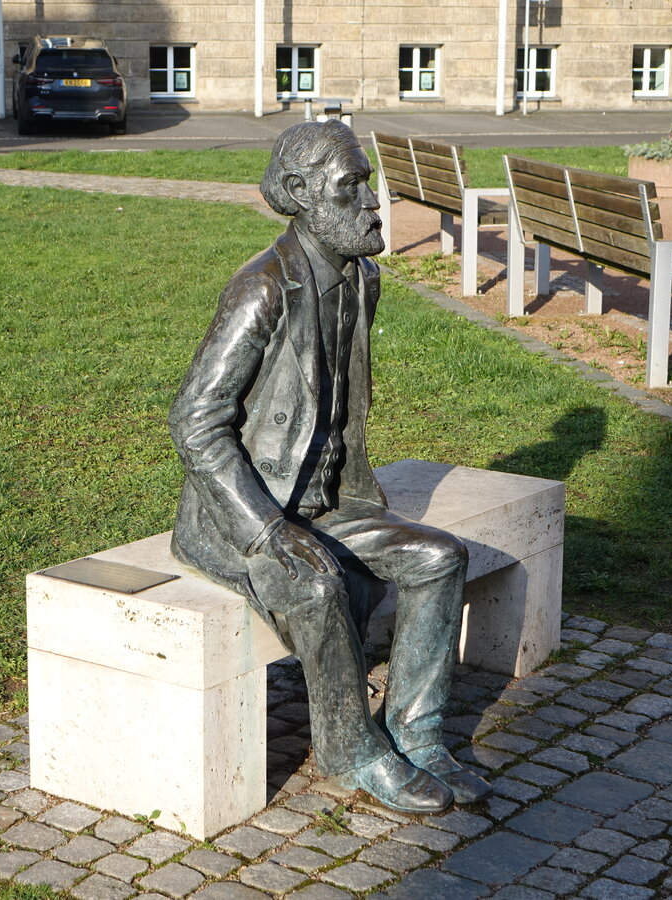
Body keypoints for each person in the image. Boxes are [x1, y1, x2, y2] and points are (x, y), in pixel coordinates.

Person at [168, 120, 490, 813]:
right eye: (352, 188)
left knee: (440, 558)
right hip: (247, 516)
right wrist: (266, 531)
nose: (374, 205)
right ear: (298, 194)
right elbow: (196, 421)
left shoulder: (361, 278)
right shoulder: (261, 289)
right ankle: (351, 750)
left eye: (368, 186)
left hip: (330, 503)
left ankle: (418, 729)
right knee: (317, 590)